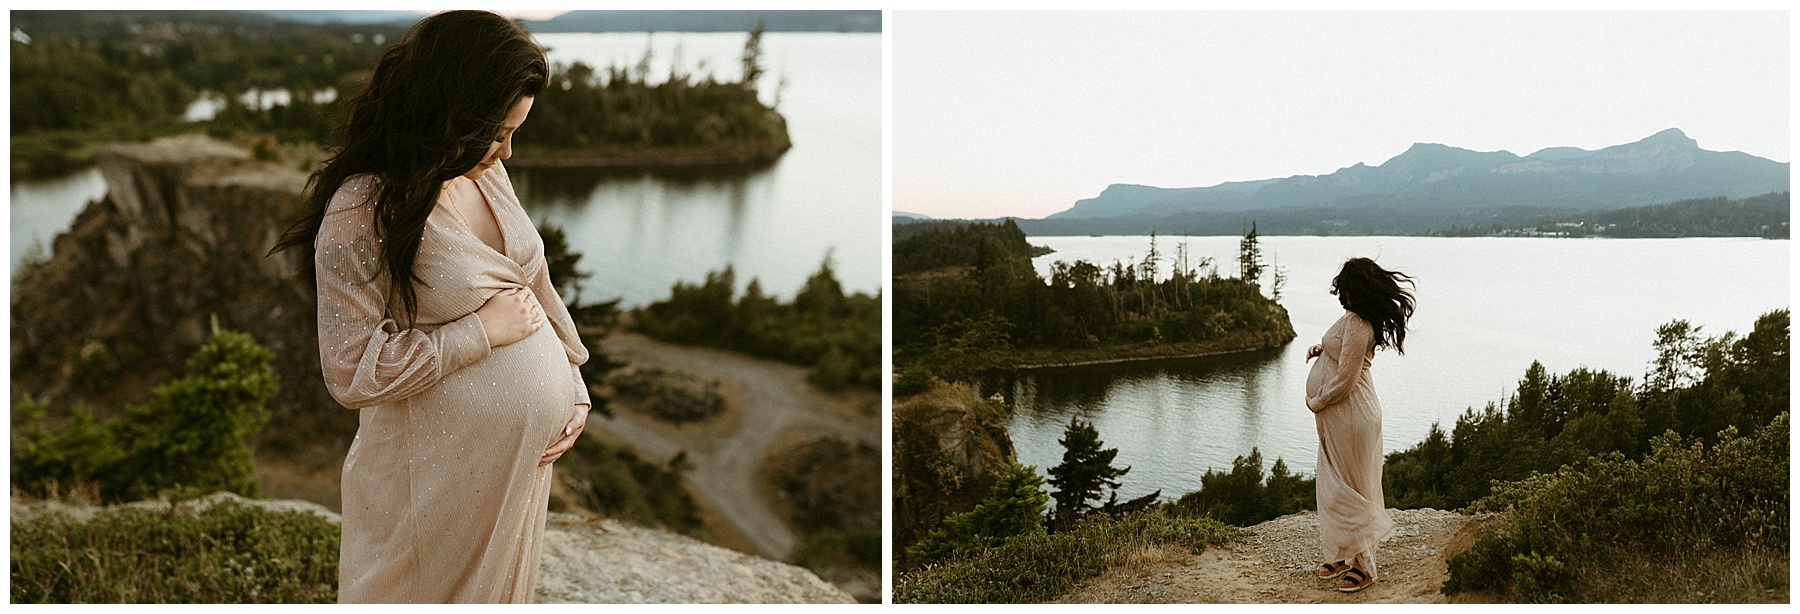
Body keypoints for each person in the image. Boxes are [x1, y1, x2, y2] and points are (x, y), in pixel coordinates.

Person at [272, 11, 588, 603]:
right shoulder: (363, 206)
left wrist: (573, 382)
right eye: (497, 133)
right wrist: (479, 332)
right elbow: (350, 370)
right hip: (429, 478)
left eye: (515, 132)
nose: (508, 153)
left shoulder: (484, 176)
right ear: (449, 113)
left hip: (508, 474)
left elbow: (535, 281)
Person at [1303, 257, 1413, 593]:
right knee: (1336, 482)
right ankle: (1342, 552)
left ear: (1357, 289)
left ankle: (1365, 566)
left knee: (1353, 487)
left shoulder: (1359, 324)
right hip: (1344, 417)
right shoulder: (1354, 320)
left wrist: (1316, 401)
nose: (1340, 293)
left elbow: (1346, 382)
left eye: (1345, 287)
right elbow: (1347, 355)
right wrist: (1324, 351)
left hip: (1351, 414)